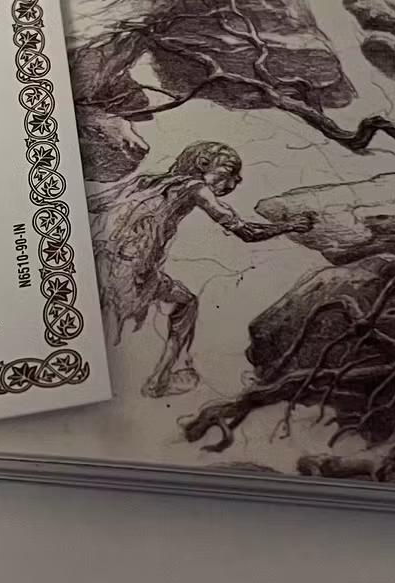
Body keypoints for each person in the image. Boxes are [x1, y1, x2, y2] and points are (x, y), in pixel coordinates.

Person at [92, 142, 308, 400]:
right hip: (134, 275)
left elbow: (93, 203)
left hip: (103, 262)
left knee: (179, 302)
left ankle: (150, 377)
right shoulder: (196, 188)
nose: (234, 182)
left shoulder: (146, 181)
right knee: (181, 305)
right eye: (228, 172)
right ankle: (158, 381)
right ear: (203, 163)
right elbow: (247, 232)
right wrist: (289, 226)